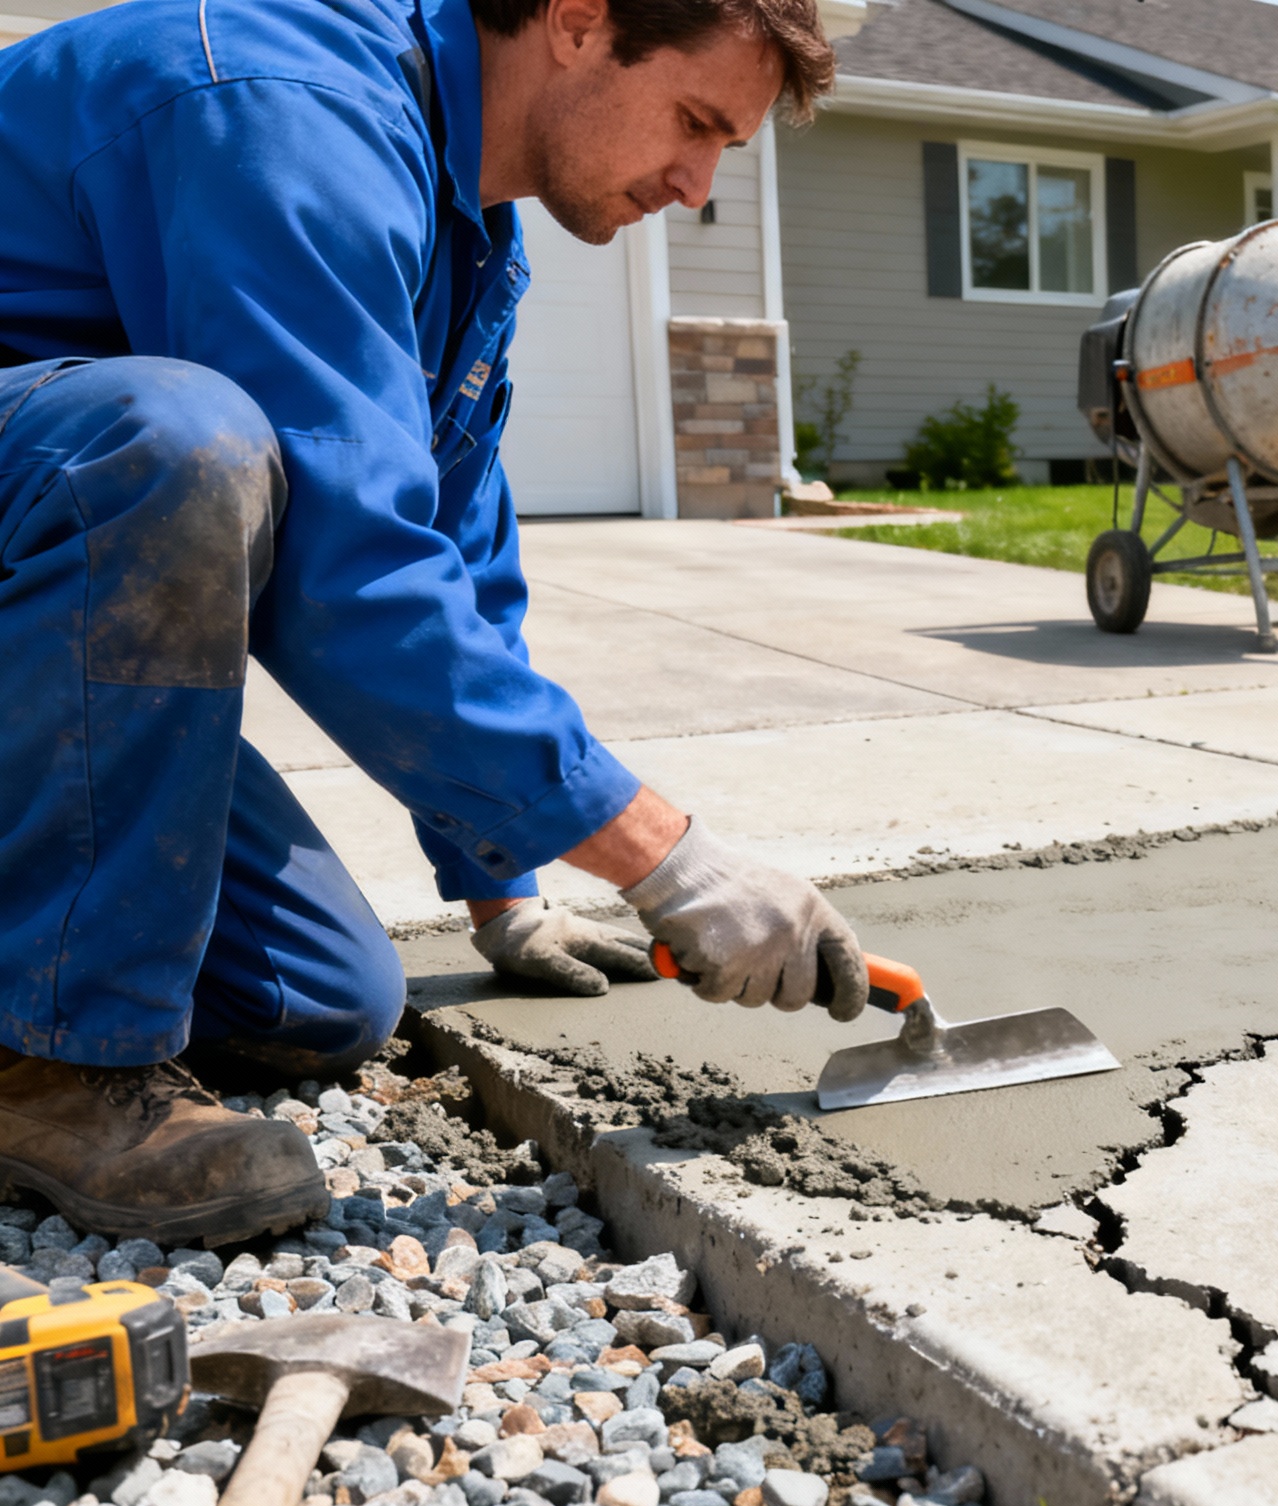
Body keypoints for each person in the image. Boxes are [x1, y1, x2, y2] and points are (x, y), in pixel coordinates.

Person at [0, 0, 867, 1248]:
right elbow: (352, 579)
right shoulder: (287, 114)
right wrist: (668, 858)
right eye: (693, 122)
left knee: (324, 1001)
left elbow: (453, 551)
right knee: (175, 445)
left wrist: (504, 889)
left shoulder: (465, 236)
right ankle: (51, 1075)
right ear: (577, 21)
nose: (696, 183)